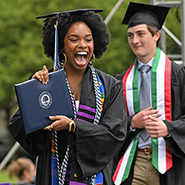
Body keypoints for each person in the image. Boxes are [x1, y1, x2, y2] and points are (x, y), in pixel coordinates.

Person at [9, 9, 127, 185]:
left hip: (94, 179)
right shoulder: (45, 83)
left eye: (88, 39)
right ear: (61, 45)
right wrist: (34, 96)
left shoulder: (109, 86)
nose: (83, 45)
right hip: (52, 175)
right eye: (74, 39)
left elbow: (114, 134)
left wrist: (73, 126)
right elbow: (24, 131)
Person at [112, 2, 185, 185]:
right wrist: (131, 122)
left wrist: (169, 128)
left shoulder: (179, 75)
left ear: (156, 35)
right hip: (133, 163)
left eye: (140, 34)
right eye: (130, 35)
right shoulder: (120, 81)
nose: (135, 40)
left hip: (170, 164)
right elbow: (110, 123)